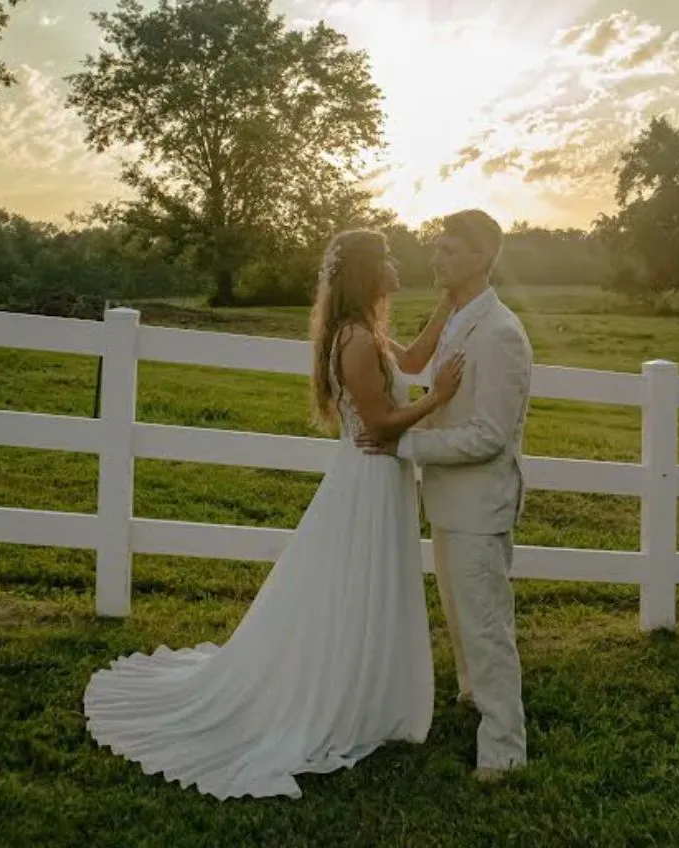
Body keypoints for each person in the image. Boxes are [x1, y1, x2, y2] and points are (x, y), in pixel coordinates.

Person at [83, 229, 463, 800]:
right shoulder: (356, 340)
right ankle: (345, 695)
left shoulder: (365, 332)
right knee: (357, 583)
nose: (396, 267)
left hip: (377, 480)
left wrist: (448, 301)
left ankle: (365, 687)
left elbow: (410, 359)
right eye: (386, 260)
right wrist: (440, 397)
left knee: (364, 585)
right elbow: (381, 423)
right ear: (365, 273)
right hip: (369, 479)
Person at [358, 209, 533, 782]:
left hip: (479, 504)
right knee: (461, 614)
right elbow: (414, 364)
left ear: (483, 256)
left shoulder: (502, 333)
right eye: (436, 248)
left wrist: (403, 446)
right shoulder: (458, 317)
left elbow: (490, 436)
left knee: (486, 624)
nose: (436, 257)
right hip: (448, 499)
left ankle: (504, 746)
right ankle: (470, 695)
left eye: (450, 250)